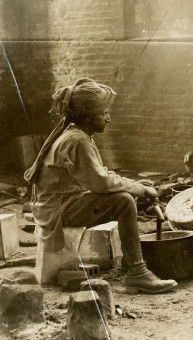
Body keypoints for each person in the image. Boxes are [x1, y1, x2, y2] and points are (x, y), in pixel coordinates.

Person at [24, 78, 177, 293]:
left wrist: (134, 184)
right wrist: (140, 189)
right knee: (123, 201)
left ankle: (130, 265)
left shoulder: (76, 134)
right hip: (58, 211)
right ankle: (137, 273)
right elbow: (102, 183)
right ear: (87, 116)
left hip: (62, 203)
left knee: (124, 194)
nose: (108, 118)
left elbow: (100, 174)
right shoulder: (78, 140)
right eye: (103, 113)